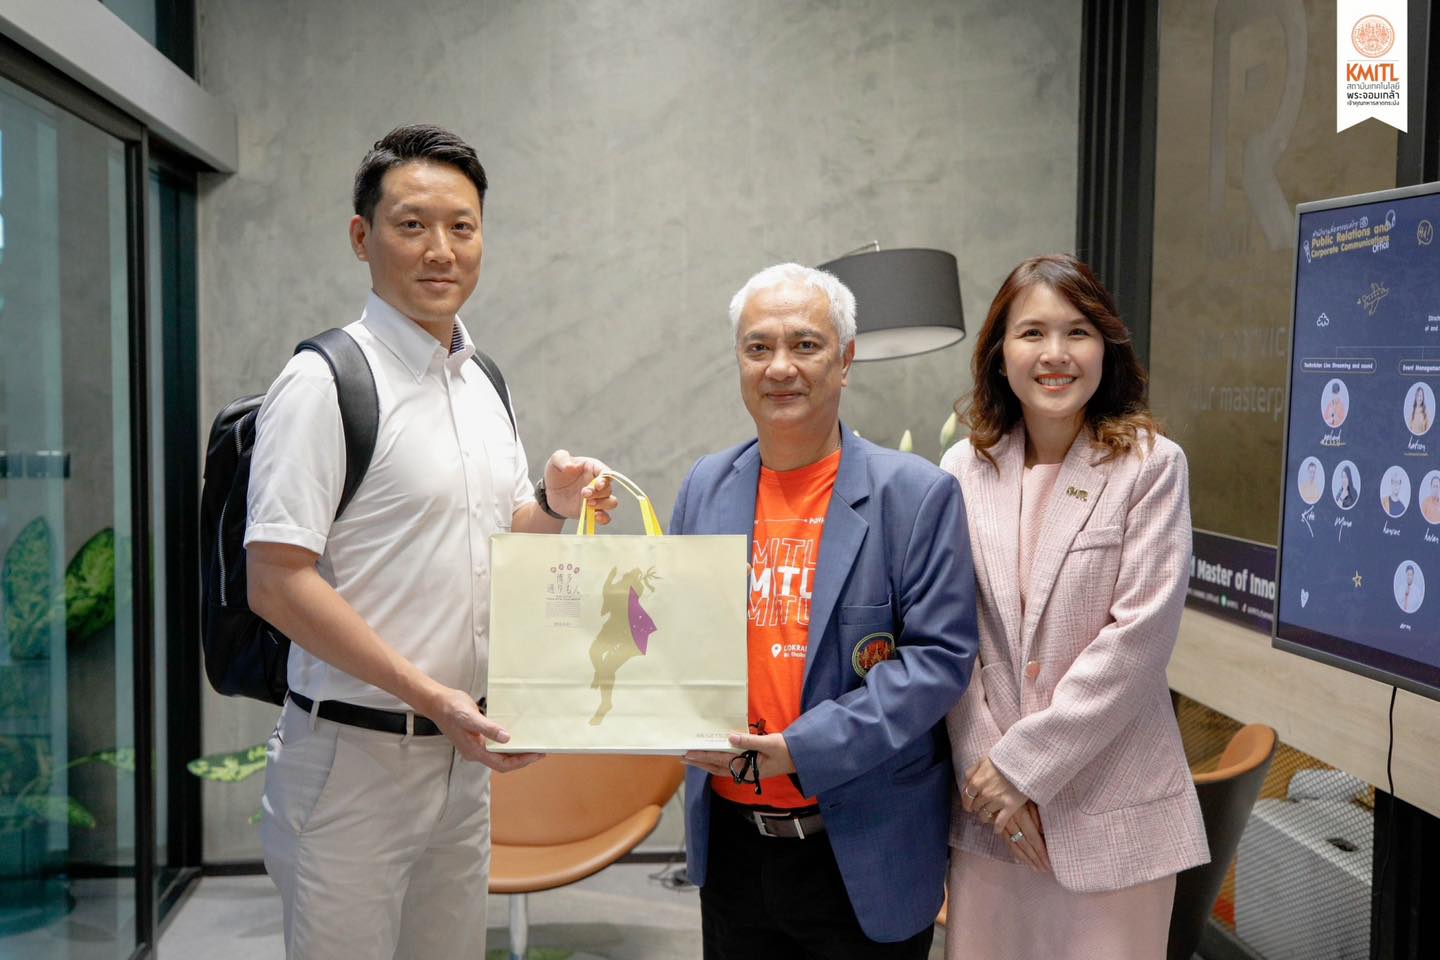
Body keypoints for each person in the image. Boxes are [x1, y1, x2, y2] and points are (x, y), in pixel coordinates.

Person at [244, 124, 618, 959]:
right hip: (352, 761)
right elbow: (275, 582)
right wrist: (432, 696)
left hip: (459, 764)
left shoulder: (482, 380)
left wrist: (553, 506)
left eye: (462, 226)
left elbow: (504, 546)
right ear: (362, 237)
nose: (441, 250)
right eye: (411, 225)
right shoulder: (322, 383)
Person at [677, 263, 979, 957]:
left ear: (845, 360)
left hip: (863, 851)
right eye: (758, 347)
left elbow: (937, 663)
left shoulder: (916, 495)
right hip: (733, 848)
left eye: (805, 345)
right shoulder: (705, 485)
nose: (780, 367)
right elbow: (677, 634)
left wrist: (799, 752)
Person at [940, 254, 1208, 959]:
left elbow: (1137, 641)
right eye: (1032, 333)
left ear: (1105, 347)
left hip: (1111, 812)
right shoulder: (963, 470)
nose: (1054, 354)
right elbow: (947, 634)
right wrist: (985, 771)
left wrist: (1021, 767)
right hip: (992, 819)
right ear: (1000, 353)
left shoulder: (1151, 465)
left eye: (1077, 332)